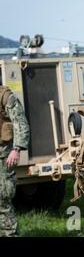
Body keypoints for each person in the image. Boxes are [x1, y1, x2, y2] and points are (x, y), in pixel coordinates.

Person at [0, 86, 30, 237]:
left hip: (3, 156)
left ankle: (9, 233)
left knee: (2, 199)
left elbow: (20, 121)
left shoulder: (4, 95)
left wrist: (16, 148)